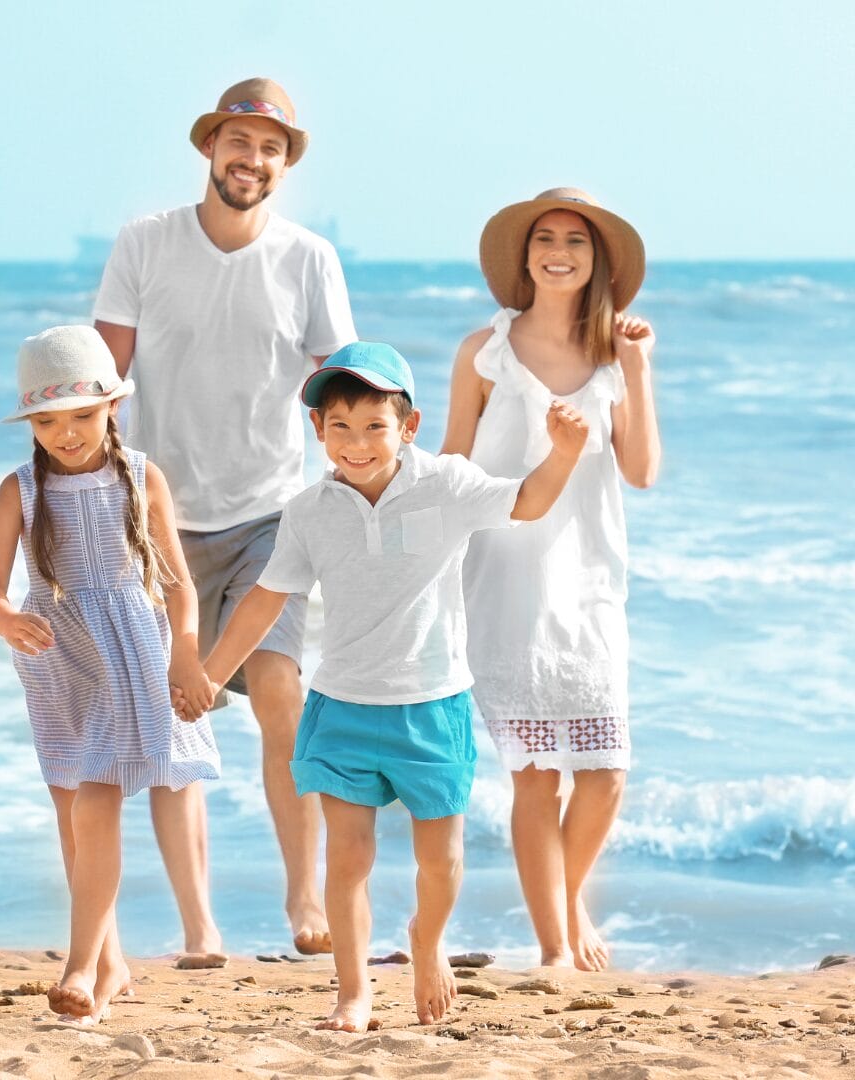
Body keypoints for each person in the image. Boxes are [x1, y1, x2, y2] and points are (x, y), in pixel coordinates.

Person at [183, 341, 590, 1031]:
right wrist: (211, 673)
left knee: (443, 859)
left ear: (409, 425)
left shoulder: (447, 484)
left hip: (433, 706)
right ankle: (353, 991)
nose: (357, 443)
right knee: (349, 857)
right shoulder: (308, 511)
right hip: (342, 707)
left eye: (374, 426)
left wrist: (564, 451)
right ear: (317, 432)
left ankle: (426, 941)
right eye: (339, 427)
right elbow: (265, 599)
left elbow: (528, 501)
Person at [92, 77, 356, 959]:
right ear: (211, 147)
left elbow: (337, 387)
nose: (253, 160)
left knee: (281, 695)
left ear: (285, 163)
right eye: (239, 143)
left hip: (268, 519)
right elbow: (105, 378)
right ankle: (201, 930)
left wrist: (362, 493)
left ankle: (304, 900)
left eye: (272, 148)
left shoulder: (309, 259)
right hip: (159, 521)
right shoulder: (145, 243)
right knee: (178, 717)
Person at [441, 188, 662, 971]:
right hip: (504, 579)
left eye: (575, 238)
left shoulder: (613, 358)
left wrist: (638, 370)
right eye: (545, 237)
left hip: (591, 581)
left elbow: (639, 471)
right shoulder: (483, 353)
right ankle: (554, 948)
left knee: (605, 772)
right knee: (535, 778)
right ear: (524, 254)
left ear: (597, 259)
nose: (559, 249)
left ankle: (568, 902)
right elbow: (452, 468)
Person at [0, 325, 220, 1025]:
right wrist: (4, 621)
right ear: (31, 424)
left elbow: (178, 585)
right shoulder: (19, 490)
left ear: (112, 406)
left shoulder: (141, 478)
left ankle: (80, 967)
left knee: (99, 796)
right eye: (48, 421)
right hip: (57, 659)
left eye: (82, 415)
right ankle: (110, 962)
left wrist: (186, 652)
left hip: (129, 655)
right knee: (73, 814)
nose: (67, 433)